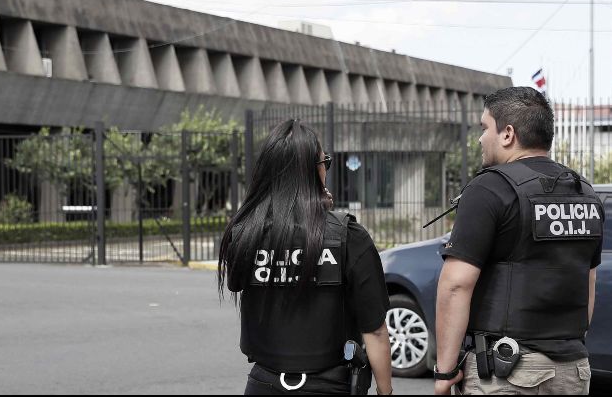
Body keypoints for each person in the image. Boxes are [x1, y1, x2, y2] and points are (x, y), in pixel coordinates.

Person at [434, 87, 604, 395]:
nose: (480, 139)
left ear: (508, 133)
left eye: (485, 128)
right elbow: (587, 282)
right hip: (573, 370)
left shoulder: (489, 188)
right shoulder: (586, 194)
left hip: (509, 372)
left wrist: (444, 372)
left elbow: (456, 284)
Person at [218, 119, 393, 395]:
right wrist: (387, 392)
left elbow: (238, 283)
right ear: (313, 171)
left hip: (263, 384)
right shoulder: (347, 235)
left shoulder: (244, 234)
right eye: (325, 163)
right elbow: (375, 331)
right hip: (328, 385)